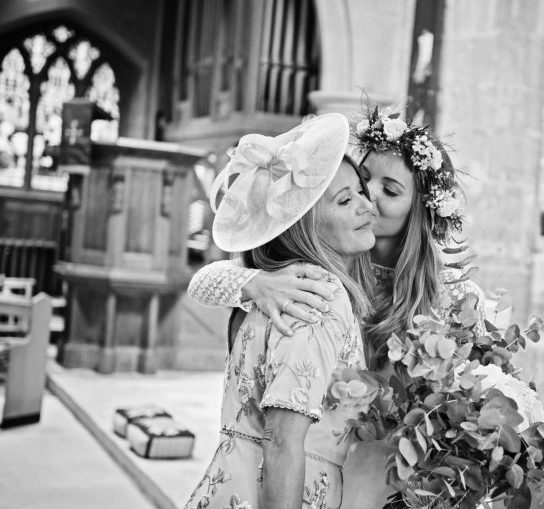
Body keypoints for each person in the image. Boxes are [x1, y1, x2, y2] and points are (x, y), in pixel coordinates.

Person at [187, 102, 492, 508]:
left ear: (417, 209)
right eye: (363, 183)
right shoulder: (319, 272)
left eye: (392, 190)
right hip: (306, 460)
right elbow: (203, 280)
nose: (372, 198)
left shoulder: (448, 292)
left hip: (383, 460)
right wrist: (255, 282)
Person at [184, 113, 378, 509]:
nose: (367, 205)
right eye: (345, 200)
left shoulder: (273, 283)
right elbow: (282, 440)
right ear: (304, 225)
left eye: (361, 191)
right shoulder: (314, 295)